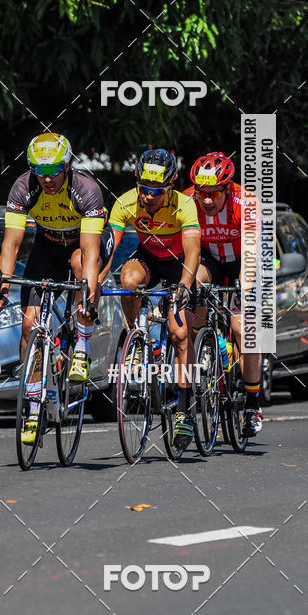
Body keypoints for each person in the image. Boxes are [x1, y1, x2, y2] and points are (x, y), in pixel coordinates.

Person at [0, 133, 114, 443]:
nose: (45, 179)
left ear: (67, 165)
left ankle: (82, 347)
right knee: (30, 327)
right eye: (39, 171)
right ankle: (34, 410)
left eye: (53, 171)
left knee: (79, 267)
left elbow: (89, 252)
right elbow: (12, 244)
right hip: (48, 245)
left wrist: (88, 292)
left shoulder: (86, 190)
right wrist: (1, 286)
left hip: (85, 244)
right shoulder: (24, 187)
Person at [108, 148, 201, 451]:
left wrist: (185, 285)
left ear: (171, 185)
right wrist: (94, 280)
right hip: (149, 256)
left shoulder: (184, 204)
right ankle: (135, 335)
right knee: (128, 281)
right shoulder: (126, 202)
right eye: (144, 189)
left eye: (156, 191)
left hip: (178, 263)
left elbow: (193, 251)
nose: (148, 196)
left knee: (179, 332)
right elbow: (111, 246)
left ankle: (184, 410)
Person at [183, 152, 262, 436]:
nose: (206, 200)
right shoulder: (187, 199)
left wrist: (246, 284)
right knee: (195, 283)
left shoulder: (247, 202)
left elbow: (253, 253)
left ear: (228, 188)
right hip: (211, 260)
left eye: (214, 194)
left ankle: (253, 405)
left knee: (244, 329)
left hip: (244, 261)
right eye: (201, 193)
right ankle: (209, 345)